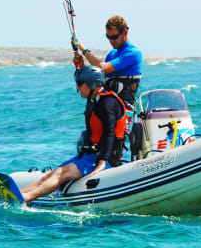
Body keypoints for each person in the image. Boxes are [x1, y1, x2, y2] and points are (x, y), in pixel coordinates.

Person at [21, 66, 126, 205]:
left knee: (61, 173)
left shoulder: (108, 103)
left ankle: (26, 199)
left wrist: (102, 162)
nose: (77, 88)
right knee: (53, 173)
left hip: (105, 158)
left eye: (80, 84)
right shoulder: (95, 100)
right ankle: (20, 194)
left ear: (92, 84)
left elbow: (110, 134)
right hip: (91, 154)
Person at [74, 15, 143, 108]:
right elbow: (97, 80)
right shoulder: (112, 54)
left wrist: (84, 50)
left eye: (114, 37)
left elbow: (103, 68)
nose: (111, 41)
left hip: (123, 111)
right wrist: (82, 67)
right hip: (105, 107)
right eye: (108, 37)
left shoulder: (133, 53)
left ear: (125, 32)